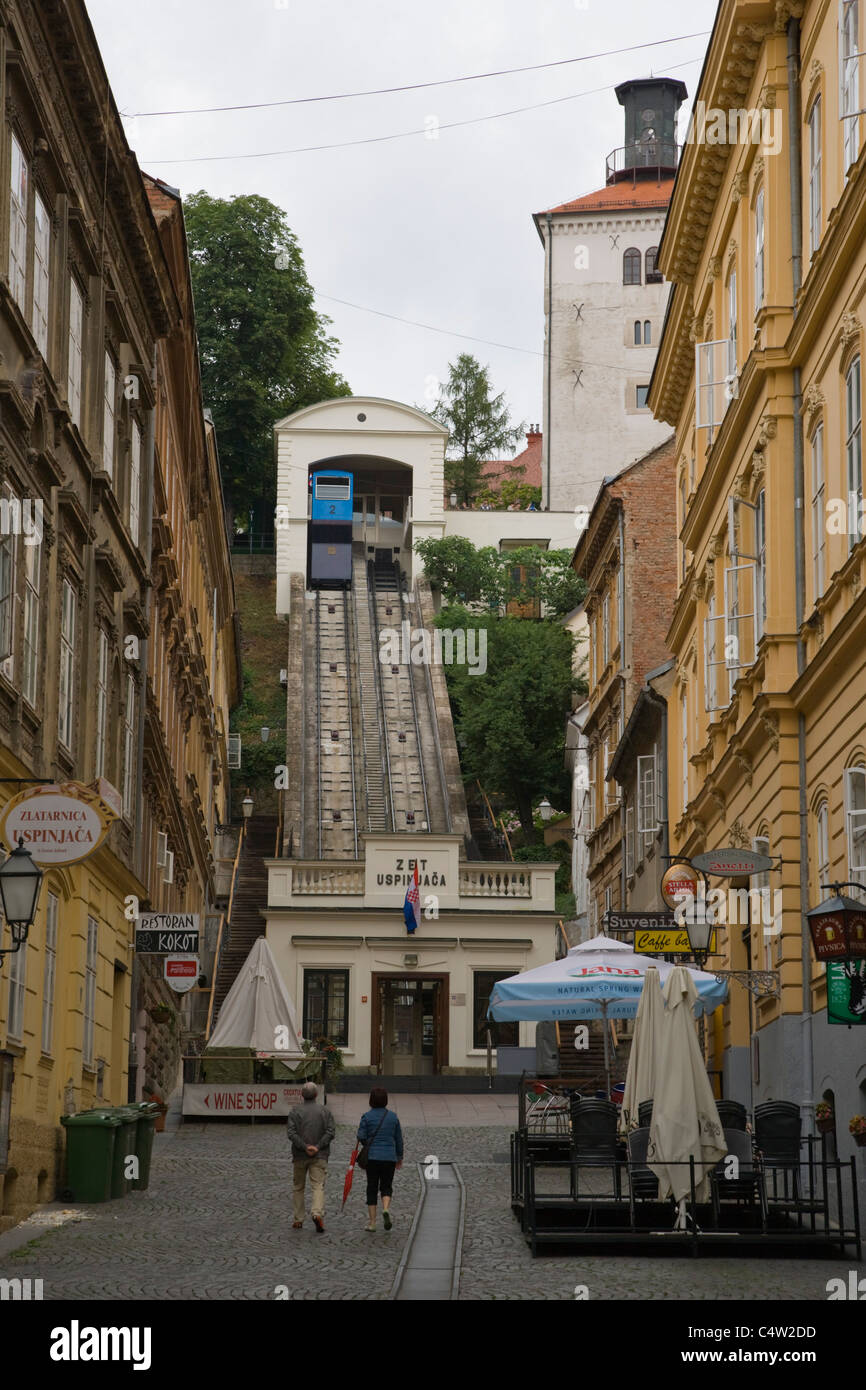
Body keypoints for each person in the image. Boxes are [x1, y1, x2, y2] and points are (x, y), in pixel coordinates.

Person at [286, 1081, 335, 1233]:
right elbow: (330, 1132)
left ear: (302, 1095)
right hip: (319, 1155)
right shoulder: (325, 1111)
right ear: (316, 1094)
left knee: (298, 1187)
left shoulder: (295, 1111)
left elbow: (291, 1133)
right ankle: (316, 1213)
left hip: (300, 1155)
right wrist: (317, 1146)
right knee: (318, 1186)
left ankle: (298, 1219)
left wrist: (304, 1146)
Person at [357, 1087, 403, 1232]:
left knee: (372, 1188)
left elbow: (361, 1136)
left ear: (371, 1100)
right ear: (385, 1100)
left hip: (372, 1157)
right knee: (386, 1186)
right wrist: (399, 1157)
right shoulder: (393, 1117)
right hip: (389, 1157)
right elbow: (398, 1139)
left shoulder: (366, 1117)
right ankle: (386, 1208)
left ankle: (372, 1223)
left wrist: (368, 1144)